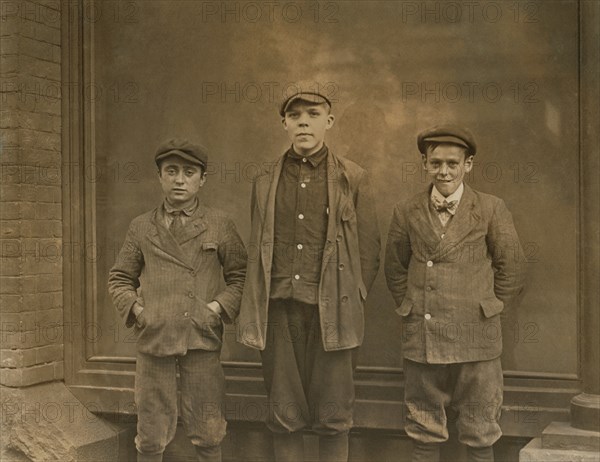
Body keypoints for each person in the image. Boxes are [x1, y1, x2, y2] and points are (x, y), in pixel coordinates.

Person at [237, 91, 381, 462]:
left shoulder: (352, 177)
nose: (303, 121)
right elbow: (259, 247)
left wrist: (353, 294)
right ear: (284, 123)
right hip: (279, 312)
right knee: (284, 414)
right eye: (294, 115)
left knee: (334, 415)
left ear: (328, 122)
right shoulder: (265, 181)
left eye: (313, 114)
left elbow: (369, 248)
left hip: (333, 312)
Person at [384, 125, 526, 462]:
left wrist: (487, 310)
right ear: (424, 164)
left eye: (452, 163)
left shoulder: (491, 208)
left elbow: (513, 268)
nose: (444, 171)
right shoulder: (407, 210)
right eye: (435, 163)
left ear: (468, 165)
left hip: (477, 339)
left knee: (480, 431)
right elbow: (394, 268)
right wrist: (414, 306)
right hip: (424, 337)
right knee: (424, 428)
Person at [108, 139, 247, 462]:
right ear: (160, 177)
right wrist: (140, 312)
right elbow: (119, 278)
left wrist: (215, 309)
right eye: (171, 171)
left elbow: (240, 277)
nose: (180, 179)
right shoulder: (142, 226)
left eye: (189, 172)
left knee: (209, 428)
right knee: (151, 432)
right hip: (154, 338)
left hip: (201, 337)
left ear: (202, 179)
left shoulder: (219, 223)